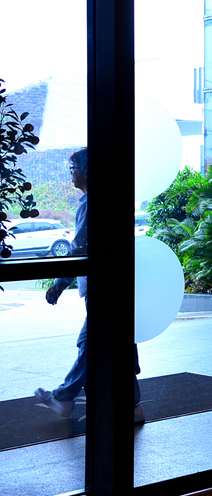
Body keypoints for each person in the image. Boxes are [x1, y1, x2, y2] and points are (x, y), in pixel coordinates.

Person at [35, 148, 144, 423]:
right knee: (107, 341)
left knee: (93, 343)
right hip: (114, 284)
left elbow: (79, 247)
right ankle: (131, 405)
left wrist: (59, 284)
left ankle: (64, 397)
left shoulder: (90, 204)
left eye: (72, 169)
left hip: (102, 287)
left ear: (85, 172)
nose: (70, 174)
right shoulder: (109, 200)